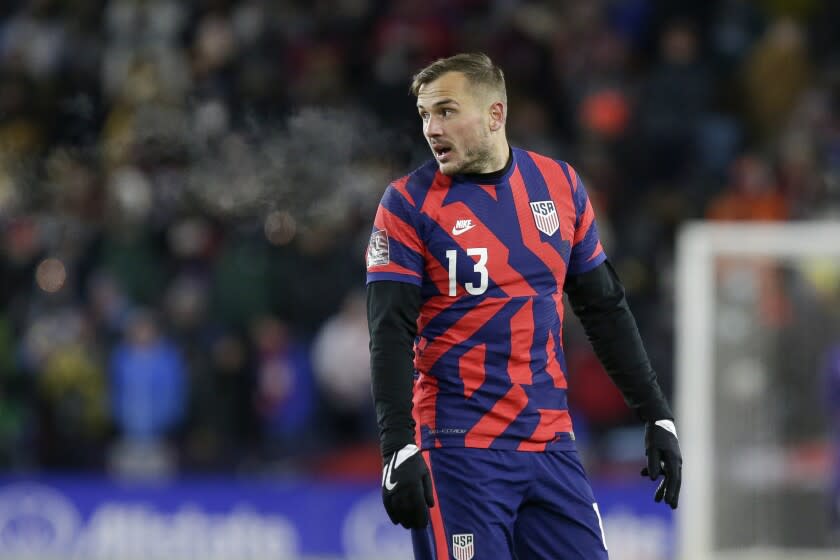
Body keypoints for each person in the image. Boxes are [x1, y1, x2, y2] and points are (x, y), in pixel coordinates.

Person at [365, 52, 681, 560]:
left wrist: (656, 415)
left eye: (446, 111)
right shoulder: (407, 204)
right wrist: (397, 445)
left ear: (495, 114)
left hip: (550, 444)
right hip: (458, 448)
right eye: (425, 114)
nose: (431, 128)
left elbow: (604, 309)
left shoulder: (559, 187)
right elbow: (389, 332)